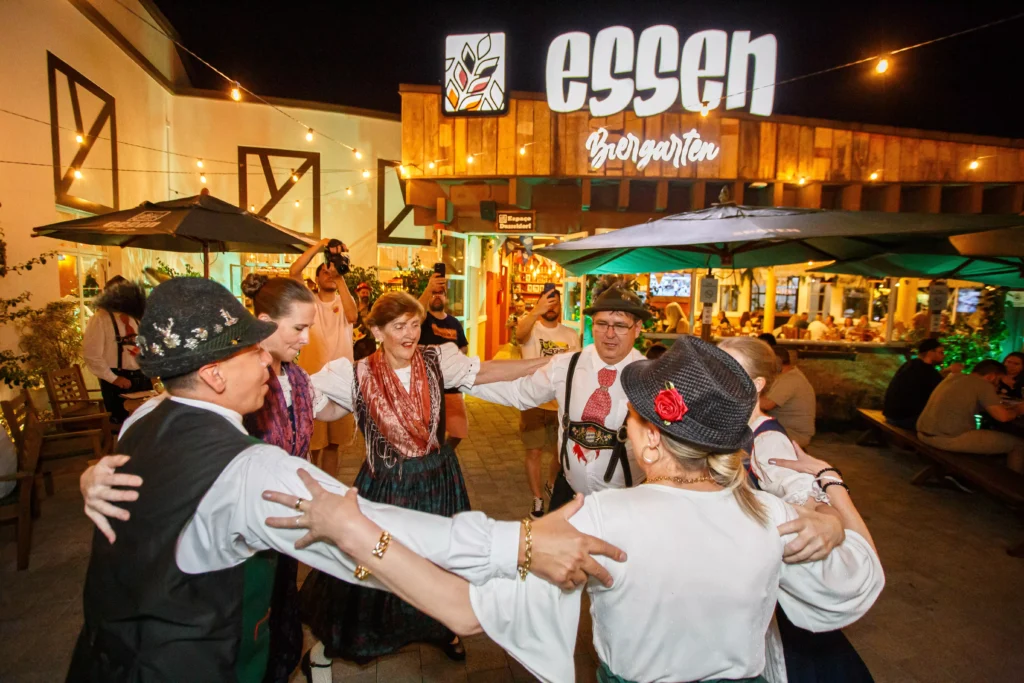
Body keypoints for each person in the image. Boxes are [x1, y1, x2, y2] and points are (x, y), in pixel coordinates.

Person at [74, 280, 626, 683]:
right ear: (213, 374)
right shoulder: (249, 468)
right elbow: (389, 528)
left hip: (103, 657)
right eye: (253, 349)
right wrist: (524, 543)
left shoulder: (142, 424)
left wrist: (87, 477)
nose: (268, 360)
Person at [263, 336, 884, 683]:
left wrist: (353, 528)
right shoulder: (777, 520)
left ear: (644, 439)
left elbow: (464, 607)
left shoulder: (606, 521)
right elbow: (863, 579)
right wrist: (832, 492)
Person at [720, 336, 876, 683]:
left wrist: (822, 518)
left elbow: (805, 493)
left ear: (756, 384)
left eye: (728, 369)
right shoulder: (737, 428)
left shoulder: (767, 440)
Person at [473, 285, 650, 515]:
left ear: (637, 329)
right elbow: (519, 393)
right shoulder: (567, 365)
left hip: (624, 506)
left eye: (620, 325)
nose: (609, 334)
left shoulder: (650, 378)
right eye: (602, 323)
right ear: (592, 324)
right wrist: (463, 381)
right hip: (568, 497)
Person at [289, 238, 358, 476]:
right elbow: (294, 271)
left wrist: (339, 276)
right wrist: (320, 246)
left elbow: (352, 316)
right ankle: (310, 489)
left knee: (333, 445)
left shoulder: (344, 299)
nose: (329, 275)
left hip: (340, 382)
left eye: (332, 271)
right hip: (312, 382)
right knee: (312, 443)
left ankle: (330, 487)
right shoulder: (309, 302)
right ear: (316, 278)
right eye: (324, 272)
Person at [515, 286, 581, 518]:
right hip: (533, 402)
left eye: (555, 302)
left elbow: (576, 369)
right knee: (533, 451)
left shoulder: (570, 335)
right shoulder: (531, 329)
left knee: (559, 452)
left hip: (560, 404)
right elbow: (519, 335)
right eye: (547, 302)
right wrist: (536, 310)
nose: (551, 307)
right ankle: (537, 498)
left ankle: (551, 482)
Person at [916, 359, 1024, 473]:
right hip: (945, 438)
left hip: (923, 432)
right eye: (998, 381)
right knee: (1019, 444)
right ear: (991, 376)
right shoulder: (983, 384)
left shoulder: (954, 377)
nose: (997, 385)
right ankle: (1011, 486)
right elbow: (1003, 417)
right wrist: (1019, 409)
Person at [82, 276, 152, 425]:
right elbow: (92, 355)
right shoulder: (100, 319)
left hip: (143, 379)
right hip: (118, 380)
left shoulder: (136, 318)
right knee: (123, 424)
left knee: (147, 422)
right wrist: (114, 378)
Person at [417, 273, 470, 449]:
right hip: (426, 387)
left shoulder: (454, 323)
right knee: (428, 432)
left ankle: (441, 456)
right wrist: (428, 288)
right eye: (434, 293)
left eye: (440, 293)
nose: (437, 296)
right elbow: (415, 313)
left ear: (446, 298)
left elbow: (463, 347)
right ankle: (431, 461)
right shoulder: (422, 320)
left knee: (459, 431)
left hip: (451, 387)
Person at [882, 339, 962, 430]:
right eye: (941, 352)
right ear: (930, 353)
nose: (944, 355)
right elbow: (943, 391)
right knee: (950, 426)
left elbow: (930, 380)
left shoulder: (911, 365)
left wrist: (947, 371)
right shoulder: (927, 371)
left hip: (892, 415)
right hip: (905, 419)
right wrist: (956, 374)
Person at [761, 347, 816, 447]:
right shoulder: (787, 375)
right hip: (782, 428)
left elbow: (767, 404)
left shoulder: (790, 379)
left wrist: (744, 398)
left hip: (793, 433)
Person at [352, 282, 377, 361]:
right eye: (363, 292)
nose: (365, 294)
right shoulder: (353, 306)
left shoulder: (373, 307)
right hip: (355, 342)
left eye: (367, 293)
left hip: (368, 342)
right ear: (358, 293)